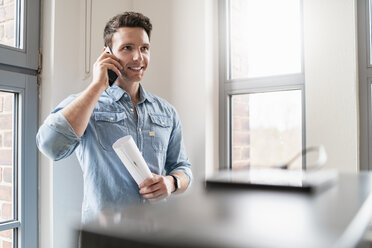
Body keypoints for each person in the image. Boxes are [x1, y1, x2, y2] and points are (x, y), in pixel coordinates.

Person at [36, 12, 192, 224]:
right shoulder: (85, 104)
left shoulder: (167, 112)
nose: (138, 57)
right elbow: (50, 146)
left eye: (144, 48)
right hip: (105, 238)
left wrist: (171, 182)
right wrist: (97, 86)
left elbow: (183, 168)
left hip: (155, 234)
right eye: (127, 48)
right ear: (107, 54)